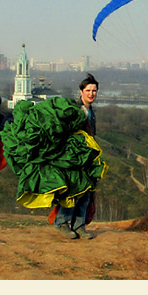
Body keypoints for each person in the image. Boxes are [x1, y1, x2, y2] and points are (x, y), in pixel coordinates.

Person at [52, 73, 100, 239]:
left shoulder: (90, 111)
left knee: (86, 192)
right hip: (75, 158)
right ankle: (62, 222)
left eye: (94, 91)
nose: (91, 94)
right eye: (88, 90)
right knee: (74, 191)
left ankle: (79, 225)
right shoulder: (77, 110)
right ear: (81, 92)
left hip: (87, 158)